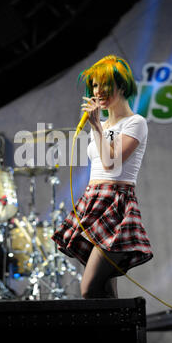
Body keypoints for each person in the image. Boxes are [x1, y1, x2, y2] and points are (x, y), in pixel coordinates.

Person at [51, 55, 153, 299]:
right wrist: (100, 127)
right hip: (94, 200)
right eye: (94, 85)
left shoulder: (135, 123)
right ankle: (119, 336)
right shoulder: (104, 125)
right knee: (106, 289)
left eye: (104, 84)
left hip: (115, 204)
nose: (98, 91)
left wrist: (97, 126)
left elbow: (110, 163)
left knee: (89, 289)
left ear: (122, 85)